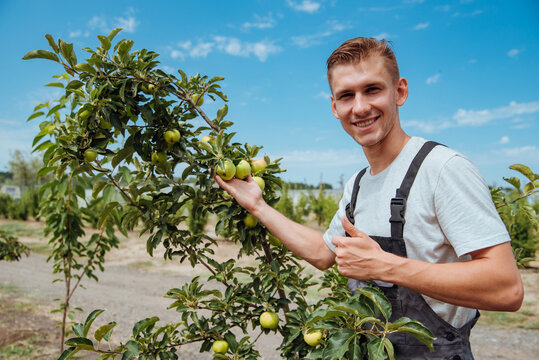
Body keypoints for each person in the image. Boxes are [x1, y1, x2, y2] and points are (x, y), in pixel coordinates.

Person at [215, 37, 524, 359]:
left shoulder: (442, 168)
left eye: (372, 89)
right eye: (347, 96)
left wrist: (386, 266)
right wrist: (257, 205)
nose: (360, 107)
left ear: (400, 91)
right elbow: (324, 253)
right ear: (335, 107)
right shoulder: (358, 184)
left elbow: (506, 288)